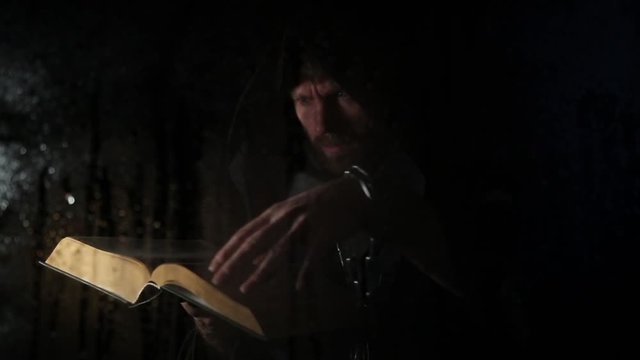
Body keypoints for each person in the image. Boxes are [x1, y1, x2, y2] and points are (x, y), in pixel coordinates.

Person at [182, 16, 464, 360]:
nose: (323, 124)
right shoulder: (281, 192)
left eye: (341, 94)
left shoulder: (455, 181)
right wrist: (226, 333)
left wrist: (366, 199)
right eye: (304, 100)